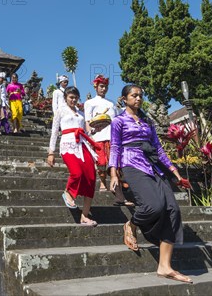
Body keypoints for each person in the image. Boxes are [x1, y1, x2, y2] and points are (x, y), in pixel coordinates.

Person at [108, 84, 193, 284]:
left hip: (153, 165)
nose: (138, 99)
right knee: (153, 206)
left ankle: (164, 266)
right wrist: (113, 174)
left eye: (140, 96)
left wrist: (174, 172)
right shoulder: (119, 121)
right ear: (124, 98)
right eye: (133, 95)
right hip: (131, 163)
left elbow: (159, 149)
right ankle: (132, 223)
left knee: (172, 210)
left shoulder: (147, 122)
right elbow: (115, 146)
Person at [47, 86, 99, 226]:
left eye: (75, 97)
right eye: (71, 97)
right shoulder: (60, 111)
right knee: (76, 173)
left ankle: (84, 216)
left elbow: (87, 133)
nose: (73, 100)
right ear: (65, 98)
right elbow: (54, 132)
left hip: (83, 145)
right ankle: (68, 193)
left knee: (91, 178)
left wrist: (96, 129)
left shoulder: (81, 114)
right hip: (67, 145)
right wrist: (51, 152)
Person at [84, 75, 133, 206]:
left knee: (115, 163)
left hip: (113, 137)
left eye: (105, 86)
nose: (103, 88)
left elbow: (117, 121)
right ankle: (102, 183)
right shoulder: (90, 103)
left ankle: (117, 188)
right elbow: (88, 121)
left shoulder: (111, 104)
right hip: (98, 136)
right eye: (101, 86)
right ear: (95, 87)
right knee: (100, 162)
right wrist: (90, 135)